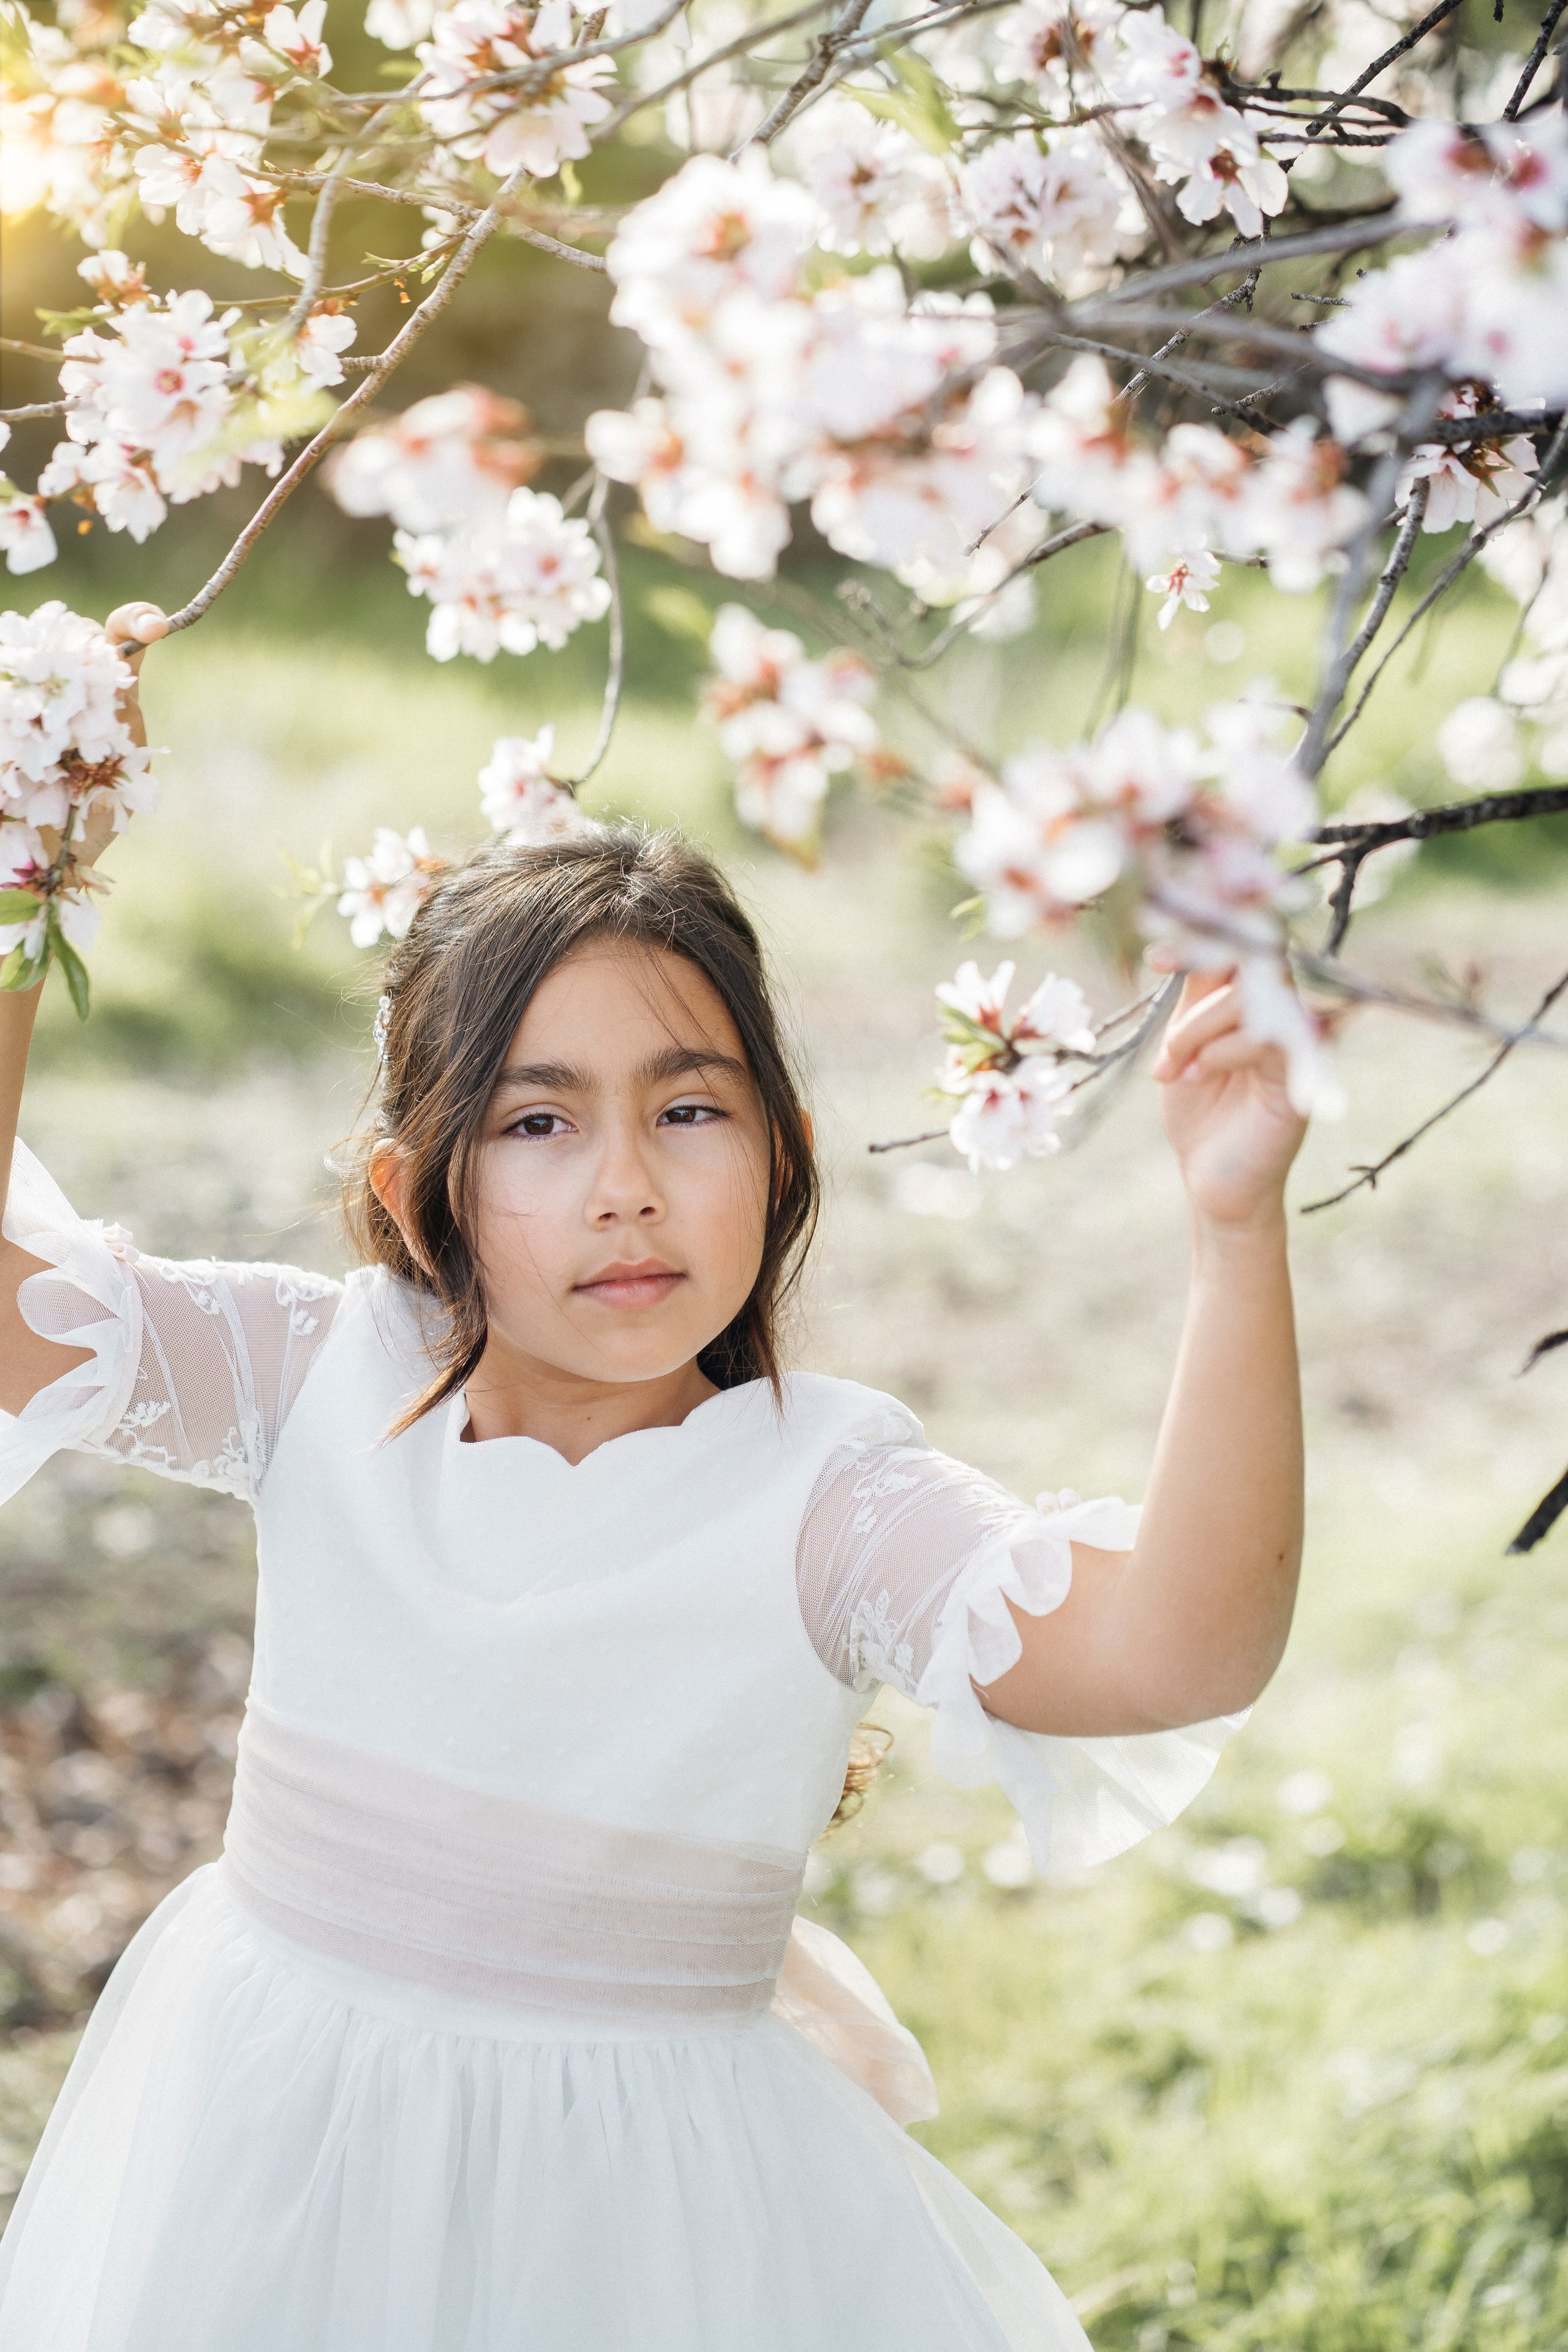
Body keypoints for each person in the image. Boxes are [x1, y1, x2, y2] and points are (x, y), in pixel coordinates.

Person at [0, 601, 1306, 2352]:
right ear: (421, 1196)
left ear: (782, 1158)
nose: (623, 1184)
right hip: (272, 2138)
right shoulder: (320, 1373)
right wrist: (27, 888)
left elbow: (1177, 1651)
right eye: (538, 1123)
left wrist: (1236, 1234)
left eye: (689, 1110)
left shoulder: (825, 1496)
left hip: (650, 2228)